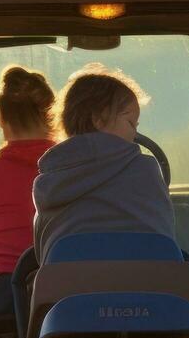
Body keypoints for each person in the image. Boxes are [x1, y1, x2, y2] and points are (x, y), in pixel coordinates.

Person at [32, 65, 175, 258]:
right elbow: (165, 231)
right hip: (144, 283)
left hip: (71, 285)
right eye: (131, 123)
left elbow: (42, 247)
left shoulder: (48, 181)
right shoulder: (145, 168)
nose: (135, 134)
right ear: (98, 119)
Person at [0, 65, 57, 338]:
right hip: (64, 281)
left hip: (0, 289)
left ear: (2, 120)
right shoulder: (71, 167)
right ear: (51, 116)